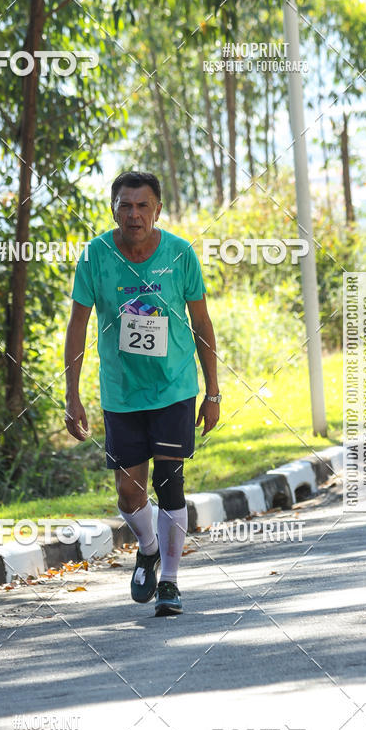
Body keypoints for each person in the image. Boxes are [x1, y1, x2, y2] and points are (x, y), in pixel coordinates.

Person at [64, 170, 220, 616]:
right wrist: (72, 395)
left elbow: (201, 324)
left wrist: (213, 393)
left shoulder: (179, 253)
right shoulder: (95, 255)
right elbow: (78, 325)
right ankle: (148, 548)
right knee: (129, 492)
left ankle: (170, 582)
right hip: (122, 391)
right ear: (113, 209)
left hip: (173, 386)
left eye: (143, 206)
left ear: (158, 209)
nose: (134, 214)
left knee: (170, 481)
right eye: (125, 206)